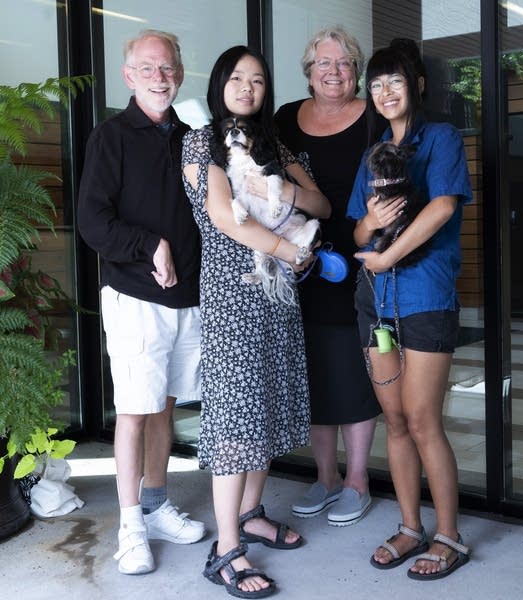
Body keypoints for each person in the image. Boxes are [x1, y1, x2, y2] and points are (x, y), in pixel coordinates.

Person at [181, 46, 330, 598]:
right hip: (232, 293)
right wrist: (287, 252)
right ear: (220, 83)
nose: (247, 87)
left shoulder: (278, 146)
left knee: (266, 408)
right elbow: (223, 217)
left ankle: (250, 514)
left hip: (278, 298)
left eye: (259, 80)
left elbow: (323, 207)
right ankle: (225, 551)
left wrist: (286, 191)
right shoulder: (200, 143)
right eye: (238, 78)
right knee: (237, 417)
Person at [77, 29, 205, 575]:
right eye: (148, 69)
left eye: (168, 67)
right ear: (129, 76)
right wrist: (149, 245)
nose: (160, 77)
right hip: (134, 296)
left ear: (179, 71)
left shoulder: (193, 134)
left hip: (188, 298)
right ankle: (130, 526)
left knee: (166, 404)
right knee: (133, 410)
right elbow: (91, 222)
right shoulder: (110, 136)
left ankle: (155, 504)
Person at [347, 38, 472, 580]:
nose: (385, 92)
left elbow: (442, 206)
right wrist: (372, 226)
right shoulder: (372, 151)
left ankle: (449, 536)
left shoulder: (441, 138)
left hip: (424, 297)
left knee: (423, 421)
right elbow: (356, 226)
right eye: (376, 85)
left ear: (416, 84)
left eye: (394, 81)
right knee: (393, 420)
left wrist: (386, 256)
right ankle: (408, 525)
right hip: (377, 304)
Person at [274, 26, 386, 527]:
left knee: (353, 372)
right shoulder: (283, 121)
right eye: (324, 63)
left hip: (360, 259)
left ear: (356, 71)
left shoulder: (374, 117)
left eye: (344, 63)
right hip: (301, 261)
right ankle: (325, 477)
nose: (333, 71)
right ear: (308, 71)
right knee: (315, 371)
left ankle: (358, 480)